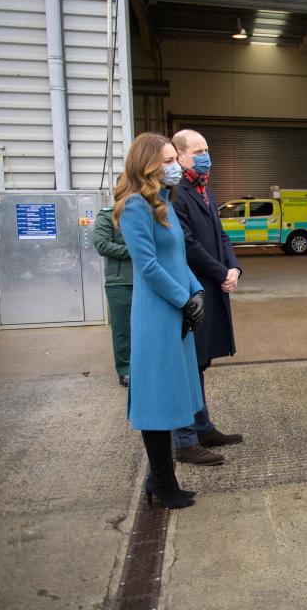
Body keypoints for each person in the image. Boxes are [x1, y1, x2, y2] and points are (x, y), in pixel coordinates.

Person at [113, 132, 205, 509]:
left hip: (176, 309)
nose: (176, 166)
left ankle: (162, 478)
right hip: (157, 314)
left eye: (174, 159)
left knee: (172, 394)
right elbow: (148, 266)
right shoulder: (135, 207)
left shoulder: (164, 202)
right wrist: (185, 299)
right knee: (155, 399)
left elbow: (179, 259)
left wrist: (196, 290)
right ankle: (162, 481)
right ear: (148, 164)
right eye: (167, 160)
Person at [170, 129, 244, 465]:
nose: (206, 156)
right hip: (192, 291)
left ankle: (202, 426)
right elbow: (188, 245)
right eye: (198, 151)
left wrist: (233, 269)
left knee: (200, 362)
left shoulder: (204, 189)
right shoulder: (177, 195)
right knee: (188, 364)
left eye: (207, 149)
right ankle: (186, 437)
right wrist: (219, 272)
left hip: (211, 287)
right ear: (180, 155)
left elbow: (221, 234)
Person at [93, 205, 133, 387]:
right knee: (122, 329)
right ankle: (125, 370)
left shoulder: (146, 213)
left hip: (146, 279)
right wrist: (135, 251)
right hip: (120, 282)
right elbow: (102, 244)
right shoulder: (108, 215)